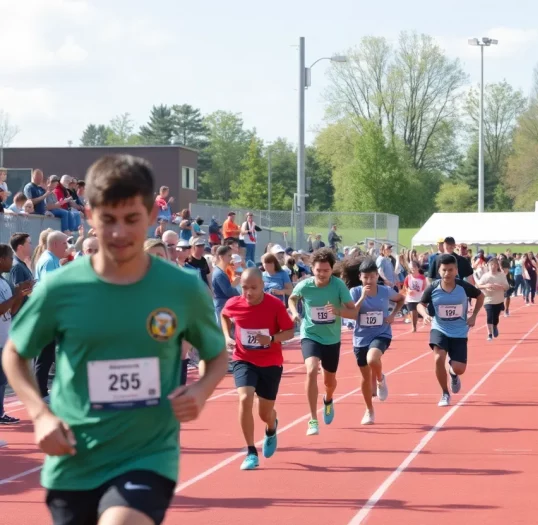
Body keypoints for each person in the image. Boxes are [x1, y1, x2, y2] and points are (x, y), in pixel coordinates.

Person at [1, 154, 228, 525]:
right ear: (89, 215)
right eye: (108, 220)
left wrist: (201, 390)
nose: (120, 232)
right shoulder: (60, 288)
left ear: (153, 218)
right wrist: (40, 414)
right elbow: (14, 353)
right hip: (74, 459)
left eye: (132, 219)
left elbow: (216, 355)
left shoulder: (182, 289)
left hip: (147, 455)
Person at [221, 268, 295, 470]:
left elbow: (289, 331)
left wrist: (271, 339)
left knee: (265, 413)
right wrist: (227, 336)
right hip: (243, 359)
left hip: (270, 362)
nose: (249, 292)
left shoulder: (275, 305)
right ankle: (251, 451)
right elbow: (224, 315)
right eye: (244, 288)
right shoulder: (234, 303)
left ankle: (272, 427)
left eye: (253, 287)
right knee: (244, 398)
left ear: (263, 285)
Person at [288, 248, 357, 436]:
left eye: (326, 270)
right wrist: (294, 312)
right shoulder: (305, 285)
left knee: (330, 382)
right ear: (312, 269)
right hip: (310, 334)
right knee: (311, 370)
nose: (322, 274)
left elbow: (353, 312)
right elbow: (292, 299)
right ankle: (312, 419)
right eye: (318, 270)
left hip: (331, 339)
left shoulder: (338, 286)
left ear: (331, 269)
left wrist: (337, 311)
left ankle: (328, 399)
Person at [418, 254, 484, 407]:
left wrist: (473, 316)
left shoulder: (463, 286)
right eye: (444, 270)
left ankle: (453, 374)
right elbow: (420, 304)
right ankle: (445, 393)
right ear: (439, 271)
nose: (447, 273)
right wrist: (425, 314)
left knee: (459, 368)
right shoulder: (433, 288)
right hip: (439, 328)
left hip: (459, 331)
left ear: (456, 270)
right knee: (438, 358)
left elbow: (480, 296)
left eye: (450, 270)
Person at [349, 259, 404, 425]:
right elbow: (352, 313)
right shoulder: (355, 292)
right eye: (365, 277)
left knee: (372, 359)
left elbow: (401, 299)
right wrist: (363, 297)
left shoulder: (385, 291)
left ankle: (380, 379)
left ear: (376, 277)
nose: (369, 281)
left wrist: (393, 314)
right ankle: (369, 410)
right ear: (360, 277)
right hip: (360, 337)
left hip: (381, 333)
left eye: (372, 277)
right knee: (365, 377)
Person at [0, 244, 33, 424]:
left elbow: (10, 311)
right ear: (1, 259)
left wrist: (20, 295)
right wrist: (16, 295)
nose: (12, 263)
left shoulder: (4, 282)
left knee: (2, 381)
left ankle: (0, 412)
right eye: (9, 258)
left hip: (4, 338)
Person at [475, 258, 509, 341]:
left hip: (499, 300)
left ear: (497, 266)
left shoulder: (501, 275)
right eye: (491, 265)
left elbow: (507, 287)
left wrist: (500, 287)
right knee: (489, 316)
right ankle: (490, 334)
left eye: (495, 265)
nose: (493, 266)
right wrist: (487, 286)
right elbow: (478, 286)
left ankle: (494, 326)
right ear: (488, 266)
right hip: (488, 299)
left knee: (496, 317)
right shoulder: (485, 276)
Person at [403, 260, 427, 332]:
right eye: (411, 268)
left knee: (416, 312)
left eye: (414, 267)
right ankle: (414, 327)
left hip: (419, 297)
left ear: (418, 268)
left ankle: (416, 324)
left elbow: (424, 287)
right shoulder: (408, 277)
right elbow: (405, 286)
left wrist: (419, 290)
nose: (412, 269)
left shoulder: (422, 277)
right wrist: (408, 291)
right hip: (410, 298)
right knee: (412, 312)